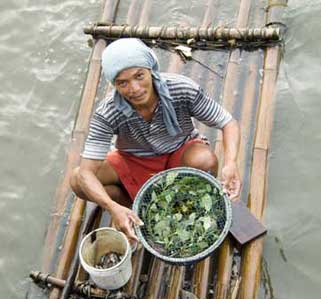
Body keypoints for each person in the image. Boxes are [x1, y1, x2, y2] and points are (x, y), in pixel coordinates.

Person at [70, 38, 241, 242]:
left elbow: (227, 122)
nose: (134, 88)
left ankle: (180, 201)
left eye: (139, 76)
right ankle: (133, 211)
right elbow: (86, 172)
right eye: (122, 83)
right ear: (114, 84)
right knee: (77, 180)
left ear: (151, 69)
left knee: (205, 160)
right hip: (134, 159)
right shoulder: (108, 113)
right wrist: (112, 207)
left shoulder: (181, 89)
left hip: (179, 150)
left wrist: (231, 163)